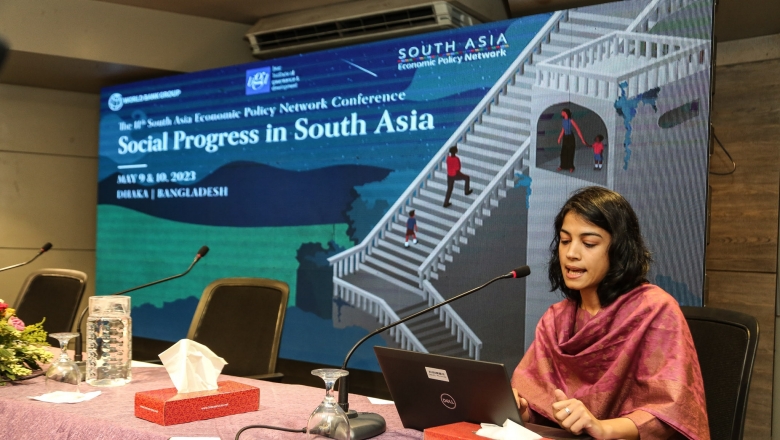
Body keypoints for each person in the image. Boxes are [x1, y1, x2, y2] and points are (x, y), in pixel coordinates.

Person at [511, 186, 709, 440]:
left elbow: (671, 413)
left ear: (619, 249)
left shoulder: (656, 311)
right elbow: (543, 408)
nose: (571, 253)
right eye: (565, 240)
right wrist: (524, 411)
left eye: (589, 243)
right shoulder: (556, 319)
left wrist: (602, 428)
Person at [557, 108, 588, 173]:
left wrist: (582, 139)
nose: (561, 113)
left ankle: (571, 166)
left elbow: (578, 130)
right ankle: (562, 165)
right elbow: (563, 130)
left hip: (570, 138)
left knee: (570, 152)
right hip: (565, 138)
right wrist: (559, 138)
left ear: (565, 113)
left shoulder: (571, 120)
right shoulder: (563, 121)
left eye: (562, 112)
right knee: (563, 152)